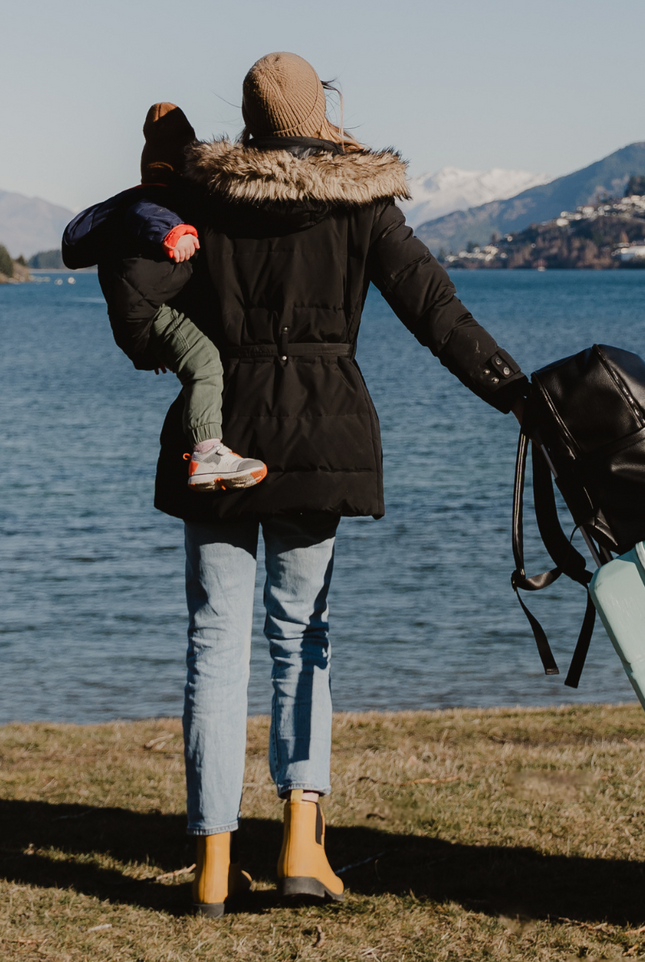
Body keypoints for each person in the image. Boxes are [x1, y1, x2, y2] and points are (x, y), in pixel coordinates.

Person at [153, 52, 528, 917]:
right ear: (319, 115)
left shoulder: (202, 199)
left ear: (248, 119)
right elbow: (436, 308)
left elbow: (146, 303)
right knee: (302, 632)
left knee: (215, 642)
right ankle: (300, 845)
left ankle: (213, 863)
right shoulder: (361, 198)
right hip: (320, 435)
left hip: (218, 438)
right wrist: (515, 390)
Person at [61, 102, 267, 491]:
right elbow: (149, 215)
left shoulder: (119, 204)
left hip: (136, 316)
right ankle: (207, 454)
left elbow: (75, 241)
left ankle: (207, 447)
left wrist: (146, 352)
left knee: (193, 359)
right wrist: (175, 234)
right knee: (205, 365)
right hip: (150, 311)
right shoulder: (154, 202)